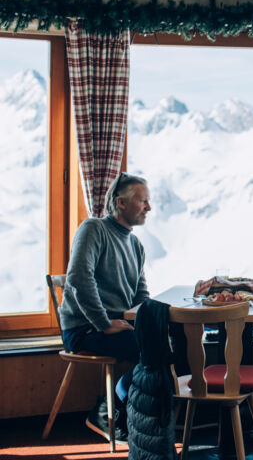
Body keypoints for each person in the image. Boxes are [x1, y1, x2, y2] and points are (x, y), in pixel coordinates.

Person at [58, 172, 151, 442]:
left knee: (172, 342)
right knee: (152, 349)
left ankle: (142, 414)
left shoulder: (135, 244)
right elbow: (79, 278)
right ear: (120, 202)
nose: (148, 207)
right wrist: (104, 324)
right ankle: (107, 409)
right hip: (85, 328)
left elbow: (141, 294)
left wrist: (150, 320)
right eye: (142, 201)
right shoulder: (93, 229)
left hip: (116, 322)